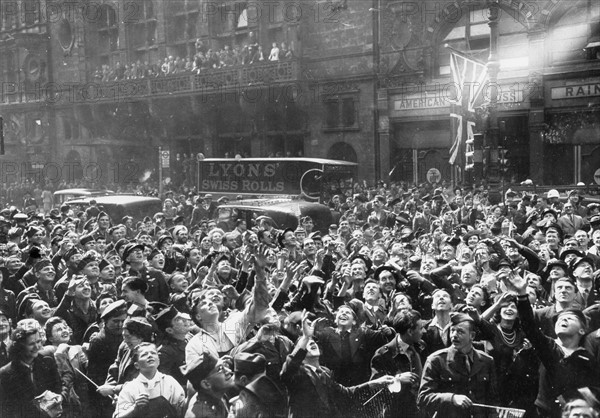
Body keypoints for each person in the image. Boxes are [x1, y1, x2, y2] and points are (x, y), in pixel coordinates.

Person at [280, 311, 395, 418]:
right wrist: (305, 338)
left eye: (313, 342)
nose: (311, 344)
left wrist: (375, 383)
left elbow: (346, 393)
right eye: (306, 345)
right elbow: (288, 369)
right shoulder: (297, 372)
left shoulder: (325, 373)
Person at [418, 312, 498, 418]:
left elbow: (493, 400)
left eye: (460, 331)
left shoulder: (486, 361)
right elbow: (423, 398)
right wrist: (452, 398)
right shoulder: (436, 360)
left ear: (472, 336)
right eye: (452, 330)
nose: (454, 335)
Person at [0, 320, 65, 417]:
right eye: (31, 344)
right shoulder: (7, 372)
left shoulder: (47, 360)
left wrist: (60, 397)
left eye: (38, 341)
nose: (37, 347)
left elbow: (59, 386)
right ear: (19, 347)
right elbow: (8, 409)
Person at [370, 309, 424, 418]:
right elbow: (374, 389)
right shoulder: (383, 355)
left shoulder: (421, 346)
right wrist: (397, 380)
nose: (424, 331)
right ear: (410, 331)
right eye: (421, 328)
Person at [114, 342, 186, 418]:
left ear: (158, 361)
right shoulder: (130, 388)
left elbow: (182, 409)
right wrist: (135, 408)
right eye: (144, 355)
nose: (150, 356)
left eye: (153, 353)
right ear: (137, 365)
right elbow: (117, 416)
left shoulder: (170, 382)